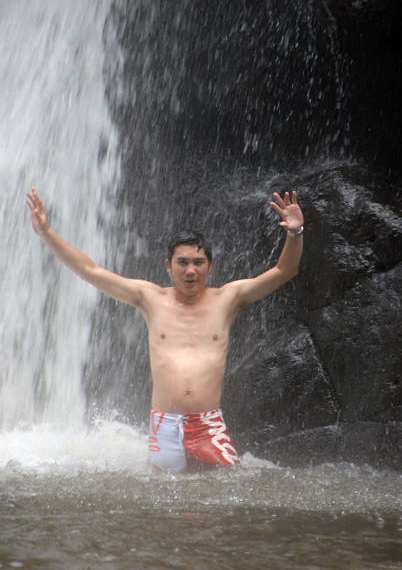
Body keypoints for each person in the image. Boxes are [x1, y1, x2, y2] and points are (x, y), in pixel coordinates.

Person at [26, 187, 304, 472]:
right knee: (162, 510)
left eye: (198, 262)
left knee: (221, 506)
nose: (190, 271)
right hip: (163, 427)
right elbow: (91, 271)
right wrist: (47, 233)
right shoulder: (150, 298)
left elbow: (284, 271)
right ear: (168, 266)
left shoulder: (228, 299)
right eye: (182, 263)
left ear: (210, 266)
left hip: (209, 426)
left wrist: (295, 233)